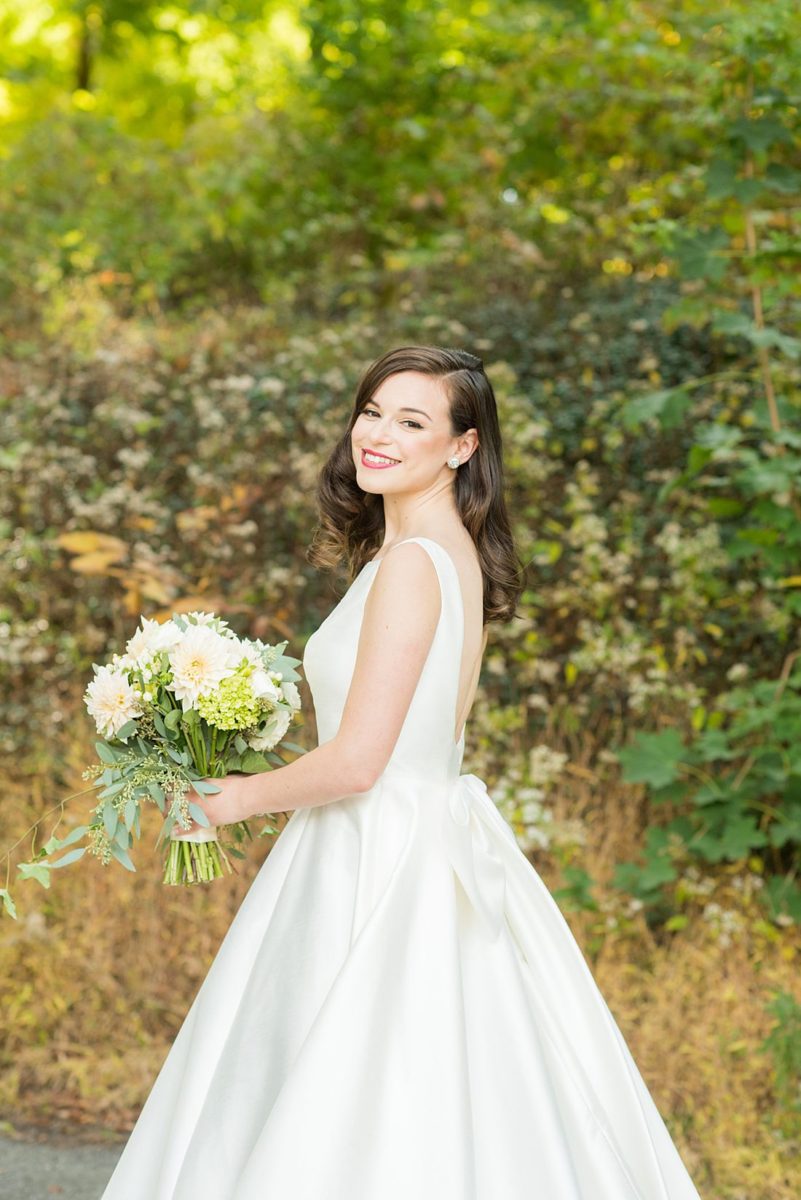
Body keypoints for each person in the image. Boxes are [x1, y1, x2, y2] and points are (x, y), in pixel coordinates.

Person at [100, 345, 703, 1199]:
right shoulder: (438, 552)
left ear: (461, 447)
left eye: (411, 421)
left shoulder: (415, 565)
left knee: (357, 1088)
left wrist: (231, 798)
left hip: (373, 852)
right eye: (372, 410)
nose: (377, 434)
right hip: (411, 838)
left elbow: (358, 761)